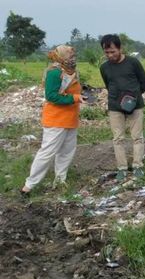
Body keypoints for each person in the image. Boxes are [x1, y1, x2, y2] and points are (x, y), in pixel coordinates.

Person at [21, 45, 85, 196]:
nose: (73, 55)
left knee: (66, 152)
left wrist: (80, 95)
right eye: (70, 53)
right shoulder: (55, 72)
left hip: (70, 119)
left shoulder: (72, 71)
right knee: (48, 152)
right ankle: (28, 186)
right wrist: (75, 98)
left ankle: (60, 180)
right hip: (56, 120)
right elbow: (51, 96)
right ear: (62, 56)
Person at [99, 34, 145, 181]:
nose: (110, 55)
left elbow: (144, 83)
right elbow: (108, 85)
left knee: (137, 137)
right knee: (118, 139)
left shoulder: (133, 63)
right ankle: (122, 168)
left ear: (120, 48)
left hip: (135, 105)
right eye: (106, 52)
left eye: (113, 51)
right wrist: (119, 98)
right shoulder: (104, 67)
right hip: (115, 106)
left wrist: (132, 97)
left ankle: (138, 166)